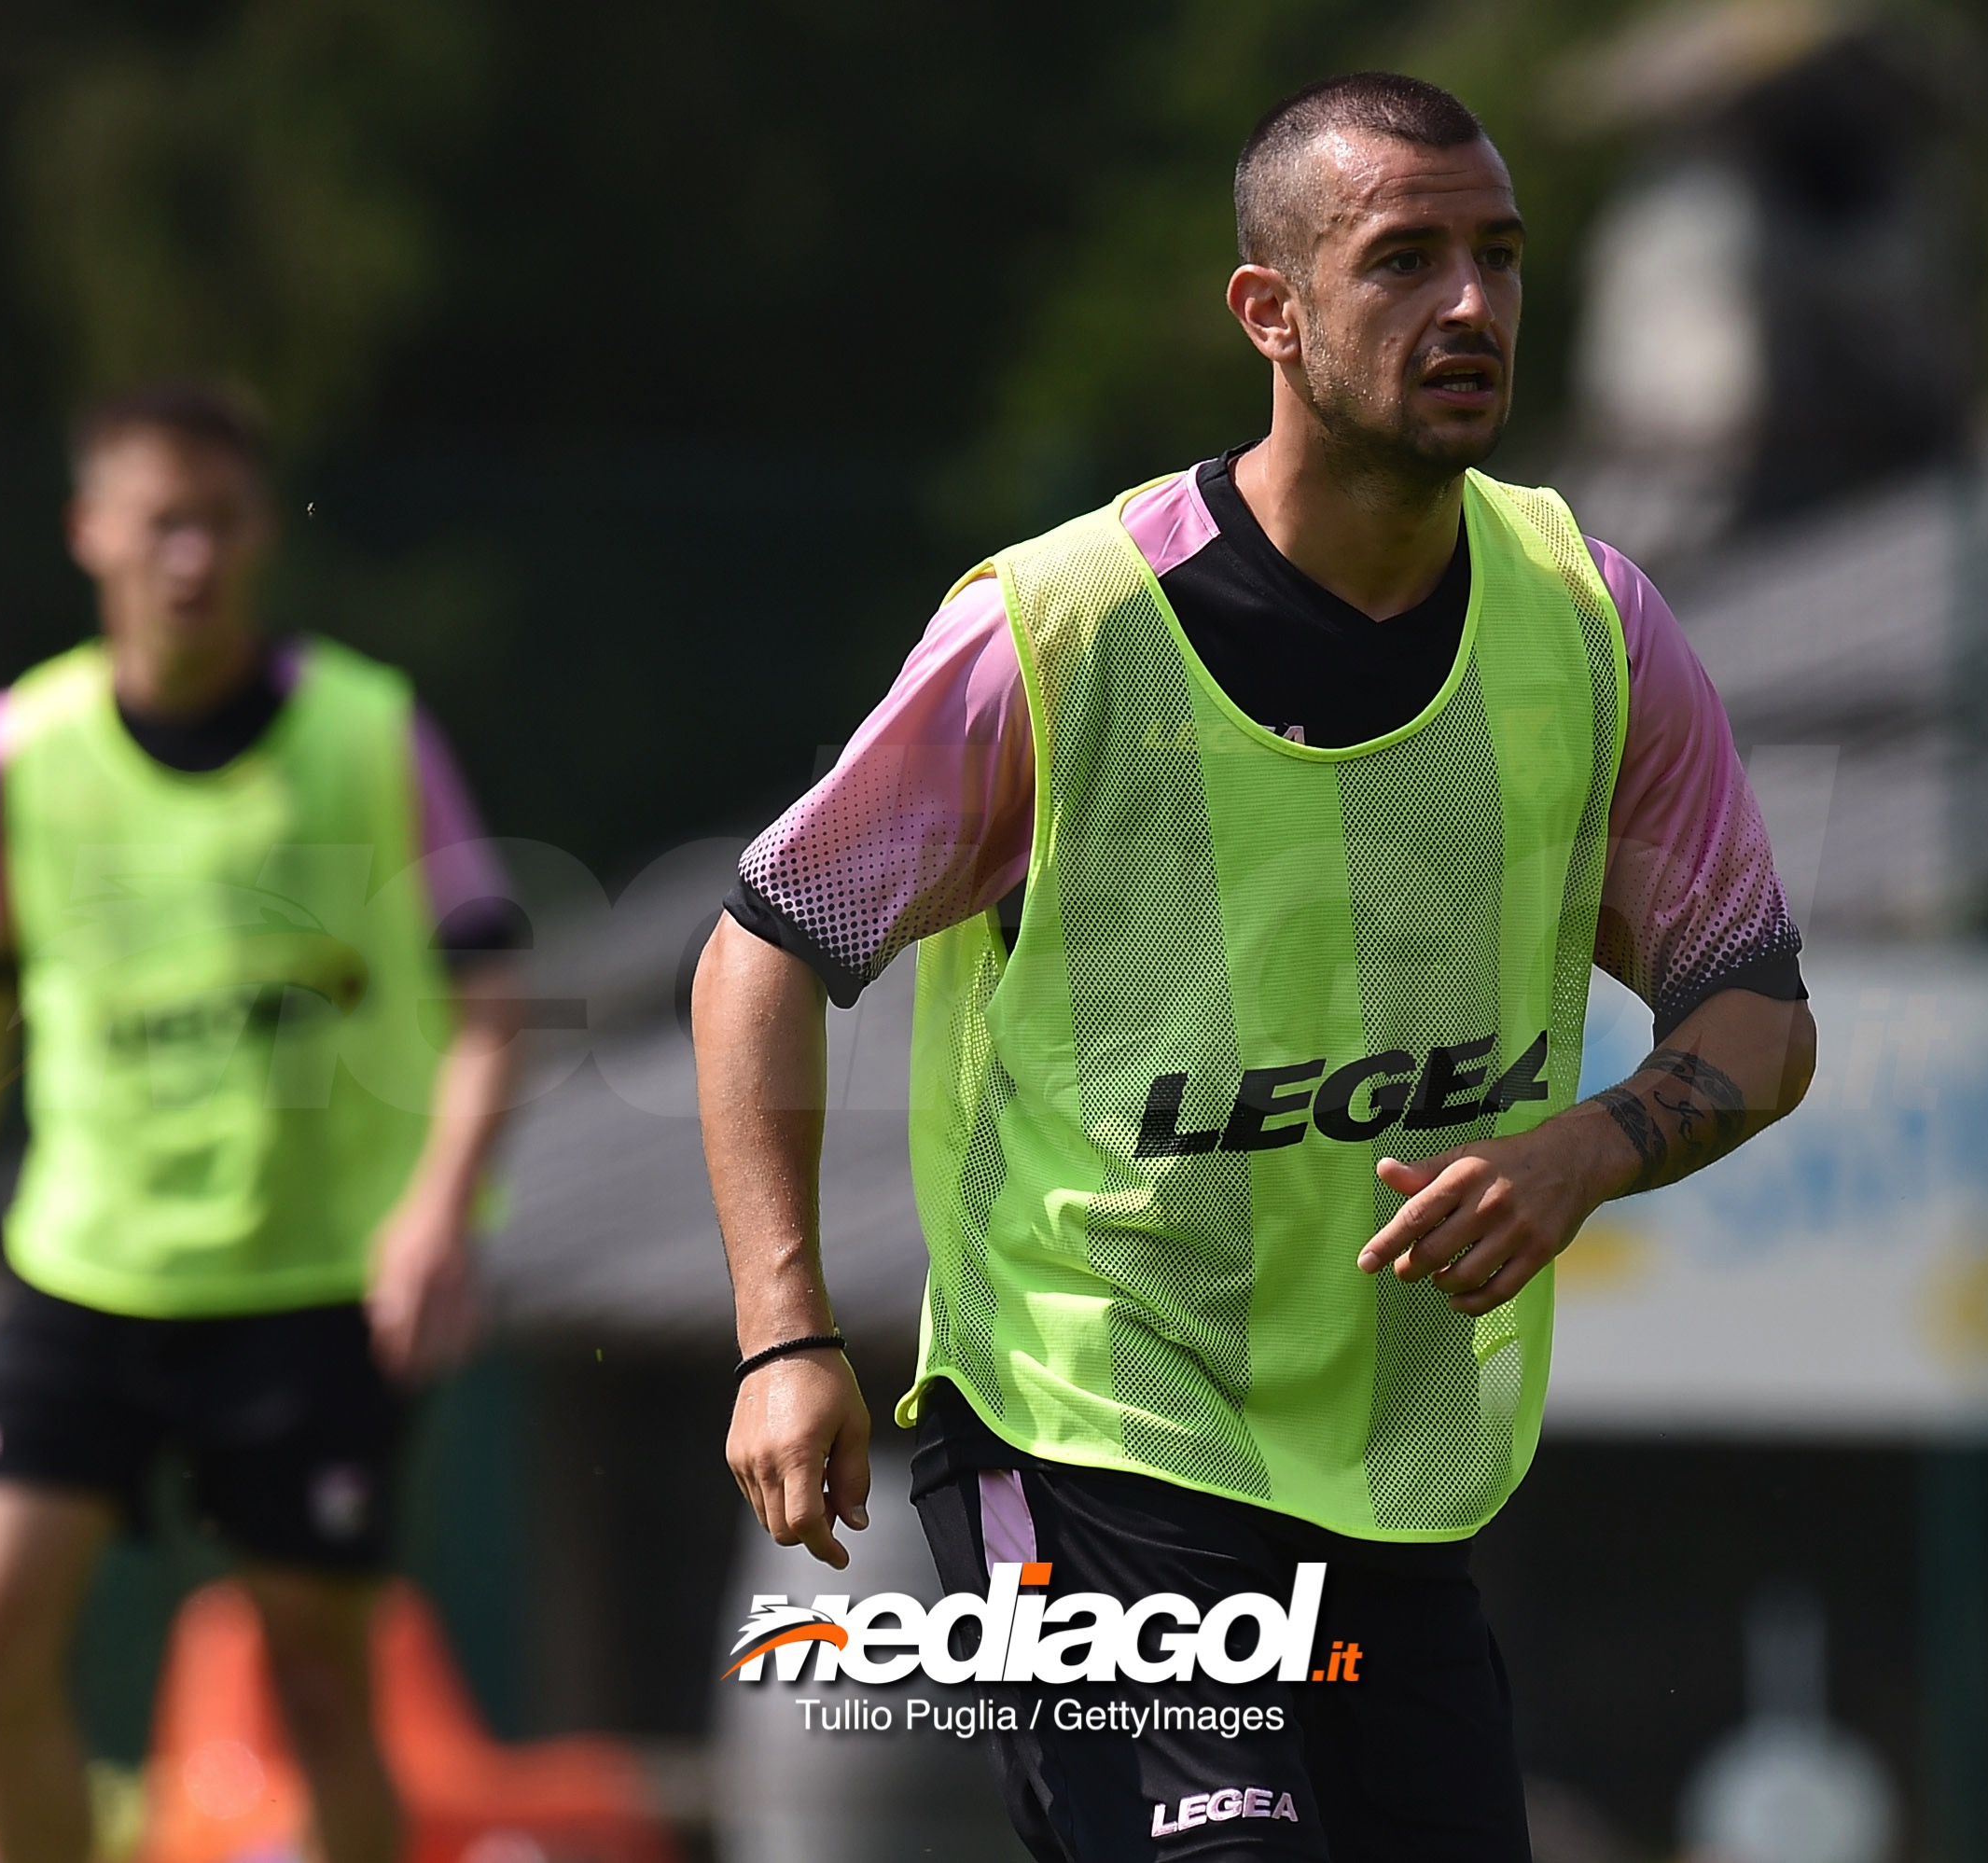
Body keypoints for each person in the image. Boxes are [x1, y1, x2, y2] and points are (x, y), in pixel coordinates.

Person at [693, 73, 1818, 1863]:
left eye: (1501, 257)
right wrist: (782, 1332)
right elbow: (764, 947)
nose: (1471, 304)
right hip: (1085, 1425)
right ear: (1269, 313)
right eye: (1407, 259)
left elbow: (1757, 1012)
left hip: (1389, 1489)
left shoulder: (1592, 622)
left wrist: (1589, 1147)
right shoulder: (1058, 630)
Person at [0, 383, 521, 1863]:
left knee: (324, 1690)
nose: (191, 556)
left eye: (218, 519)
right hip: (81, 1266)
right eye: (159, 522)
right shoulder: (12, 751)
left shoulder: (372, 731)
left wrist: (435, 1209)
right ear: (90, 532)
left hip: (313, 1282)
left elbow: (489, 1005)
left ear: (263, 529)